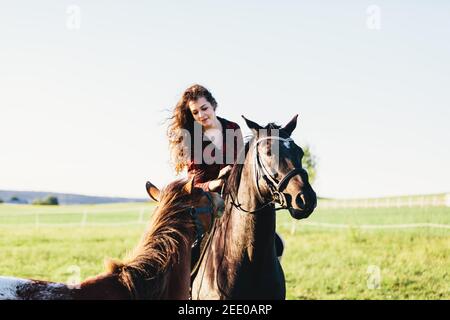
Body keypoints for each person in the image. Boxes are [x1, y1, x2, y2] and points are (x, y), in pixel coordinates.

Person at [167, 84, 284, 262]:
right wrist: (214, 184)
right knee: (192, 248)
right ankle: (188, 283)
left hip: (236, 195)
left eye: (204, 108)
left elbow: (241, 166)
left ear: (213, 105)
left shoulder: (232, 128)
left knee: (275, 241)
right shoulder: (193, 138)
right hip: (208, 199)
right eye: (195, 112)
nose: (201, 115)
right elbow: (194, 182)